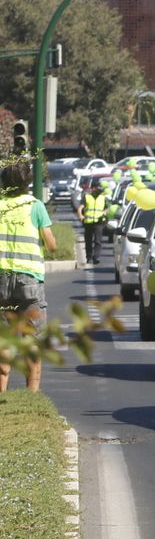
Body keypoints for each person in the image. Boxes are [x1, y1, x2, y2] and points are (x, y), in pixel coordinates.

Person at [0, 161, 59, 392]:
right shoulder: (35, 206)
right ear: (27, 182)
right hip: (29, 281)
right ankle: (31, 399)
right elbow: (52, 245)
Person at [77, 180, 108, 266]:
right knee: (88, 241)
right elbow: (80, 208)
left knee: (98, 241)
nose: (98, 189)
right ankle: (89, 257)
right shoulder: (87, 197)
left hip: (99, 222)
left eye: (99, 187)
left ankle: (96, 257)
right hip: (88, 222)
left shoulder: (103, 197)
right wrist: (80, 216)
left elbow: (107, 207)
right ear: (92, 188)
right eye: (96, 187)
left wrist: (104, 212)